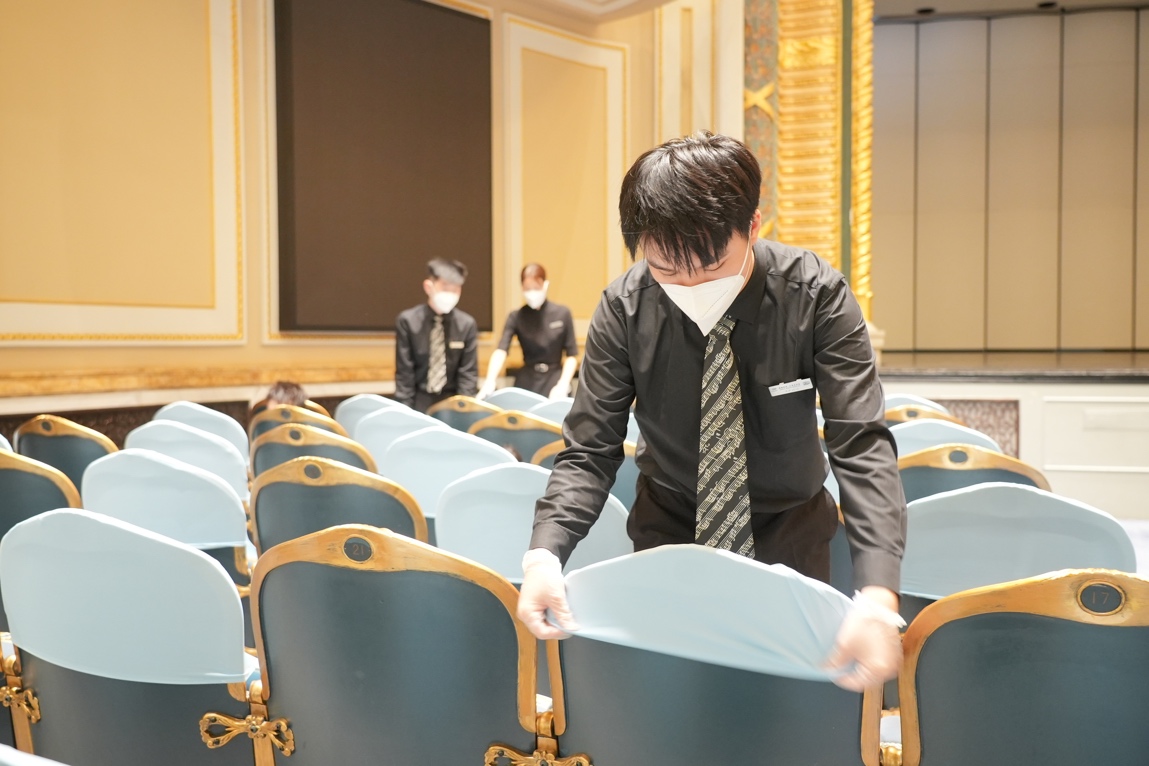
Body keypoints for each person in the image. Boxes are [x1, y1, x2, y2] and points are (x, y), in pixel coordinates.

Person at [516, 132, 908, 692]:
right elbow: (590, 449)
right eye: (667, 270)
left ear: (752, 226)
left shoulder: (815, 295)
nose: (691, 285)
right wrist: (544, 558)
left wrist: (877, 594)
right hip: (668, 530)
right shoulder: (624, 307)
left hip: (790, 533)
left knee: (786, 714)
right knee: (677, 706)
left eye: (709, 266)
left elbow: (860, 442)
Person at [478, 264, 579, 400]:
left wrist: (563, 383)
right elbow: (501, 350)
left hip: (555, 379)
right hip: (527, 380)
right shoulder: (516, 316)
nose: (532, 293)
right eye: (527, 288)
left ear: (545, 285)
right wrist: (490, 380)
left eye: (536, 288)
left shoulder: (562, 313)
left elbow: (571, 355)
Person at [394, 259, 479, 412]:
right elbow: (404, 373)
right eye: (445, 288)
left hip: (453, 402)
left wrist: (465, 410)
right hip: (419, 400)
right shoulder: (408, 321)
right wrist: (404, 411)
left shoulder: (466, 324)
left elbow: (468, 374)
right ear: (428, 287)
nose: (450, 294)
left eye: (456, 290)